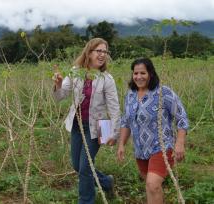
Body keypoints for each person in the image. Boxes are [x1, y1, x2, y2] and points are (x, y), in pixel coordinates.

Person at [52, 38, 121, 204]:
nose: (102, 55)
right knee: (77, 165)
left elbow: (114, 108)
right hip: (77, 125)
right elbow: (60, 96)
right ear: (89, 53)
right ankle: (106, 182)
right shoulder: (76, 72)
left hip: (97, 127)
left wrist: (114, 133)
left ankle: (86, 200)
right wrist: (58, 85)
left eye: (105, 52)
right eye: (99, 51)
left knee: (85, 168)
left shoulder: (107, 79)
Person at [117, 58, 189, 204]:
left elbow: (182, 118)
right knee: (151, 187)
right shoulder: (130, 94)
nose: (138, 77)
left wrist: (180, 143)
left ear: (150, 73)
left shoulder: (164, 92)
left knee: (153, 184)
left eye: (142, 73)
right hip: (140, 150)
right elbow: (126, 121)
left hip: (161, 147)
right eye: (135, 73)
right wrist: (121, 144)